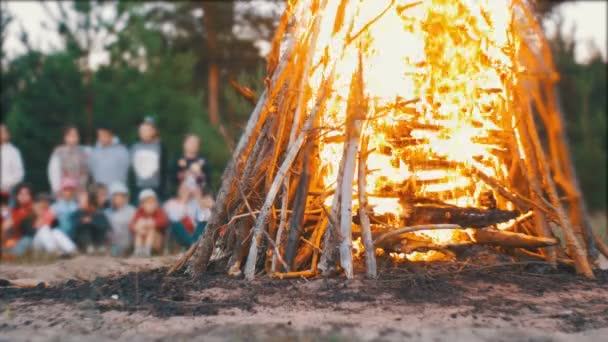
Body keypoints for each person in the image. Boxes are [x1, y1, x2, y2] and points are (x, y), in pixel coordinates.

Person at [131, 117, 167, 199]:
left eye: (147, 130)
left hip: (156, 188)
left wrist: (163, 190)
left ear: (154, 131)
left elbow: (164, 170)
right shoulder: (134, 147)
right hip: (138, 188)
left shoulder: (160, 147)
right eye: (141, 130)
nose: (143, 132)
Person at [47, 125, 89, 194]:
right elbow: (54, 174)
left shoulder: (84, 152)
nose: (73, 138)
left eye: (76, 135)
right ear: (65, 137)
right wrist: (57, 190)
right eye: (70, 135)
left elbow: (85, 174)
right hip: (63, 192)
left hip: (80, 192)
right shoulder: (58, 153)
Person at [130, 189, 168, 257]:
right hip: (142, 239)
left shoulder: (159, 212)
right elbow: (132, 225)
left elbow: (164, 222)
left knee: (151, 229)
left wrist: (152, 223)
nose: (151, 205)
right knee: (139, 229)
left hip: (156, 241)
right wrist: (137, 228)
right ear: (142, 204)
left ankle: (147, 251)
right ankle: (138, 251)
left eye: (153, 202)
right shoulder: (139, 212)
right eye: (148, 203)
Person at [2, 183, 35, 258]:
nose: (23, 196)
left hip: (32, 240)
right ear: (16, 196)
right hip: (15, 241)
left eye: (26, 193)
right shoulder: (13, 211)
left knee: (27, 240)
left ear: (31, 196)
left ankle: (10, 254)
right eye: (20, 193)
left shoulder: (33, 208)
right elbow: (5, 226)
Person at [164, 182, 200, 249]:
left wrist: (197, 196)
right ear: (178, 190)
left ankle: (193, 245)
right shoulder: (171, 203)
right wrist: (183, 201)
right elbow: (174, 218)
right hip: (179, 230)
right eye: (183, 189)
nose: (185, 191)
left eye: (187, 189)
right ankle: (193, 245)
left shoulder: (193, 203)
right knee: (175, 224)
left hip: (194, 230)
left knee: (203, 222)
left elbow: (202, 215)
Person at [105, 182, 136, 257]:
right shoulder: (107, 212)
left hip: (128, 244)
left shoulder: (132, 211)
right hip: (112, 244)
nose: (119, 199)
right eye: (115, 196)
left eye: (122, 196)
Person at [0, 124, 25, 194]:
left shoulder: (13, 152)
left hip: (8, 192)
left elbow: (19, 175)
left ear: (8, 135)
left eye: (2, 131)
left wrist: (4, 187)